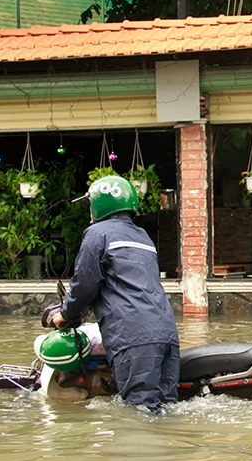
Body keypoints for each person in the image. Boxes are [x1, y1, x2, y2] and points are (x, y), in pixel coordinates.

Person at [50, 175, 180, 413]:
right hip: (166, 333)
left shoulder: (97, 234)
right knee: (166, 408)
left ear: (99, 204)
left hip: (132, 335)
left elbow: (84, 285)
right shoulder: (142, 237)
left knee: (140, 413)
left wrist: (65, 314)